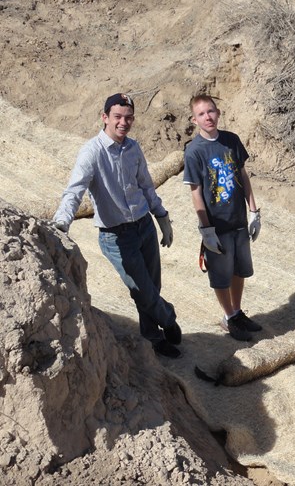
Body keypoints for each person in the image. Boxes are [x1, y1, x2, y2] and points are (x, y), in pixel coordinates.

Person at [53, 93, 181, 358]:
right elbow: (74, 191)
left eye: (129, 117)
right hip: (116, 236)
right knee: (142, 291)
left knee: (151, 288)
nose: (124, 122)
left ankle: (153, 338)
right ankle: (168, 318)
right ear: (105, 118)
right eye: (118, 117)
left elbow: (146, 185)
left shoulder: (133, 148)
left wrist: (162, 217)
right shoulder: (92, 152)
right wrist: (62, 223)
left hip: (144, 226)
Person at [183, 94, 262, 342]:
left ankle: (237, 312)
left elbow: (242, 174)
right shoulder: (194, 151)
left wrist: (253, 211)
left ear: (218, 112)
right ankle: (228, 317)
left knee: (240, 269)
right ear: (194, 120)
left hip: (238, 220)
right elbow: (196, 191)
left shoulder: (231, 140)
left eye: (211, 111)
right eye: (202, 114)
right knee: (221, 274)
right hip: (217, 226)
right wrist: (205, 229)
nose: (208, 117)